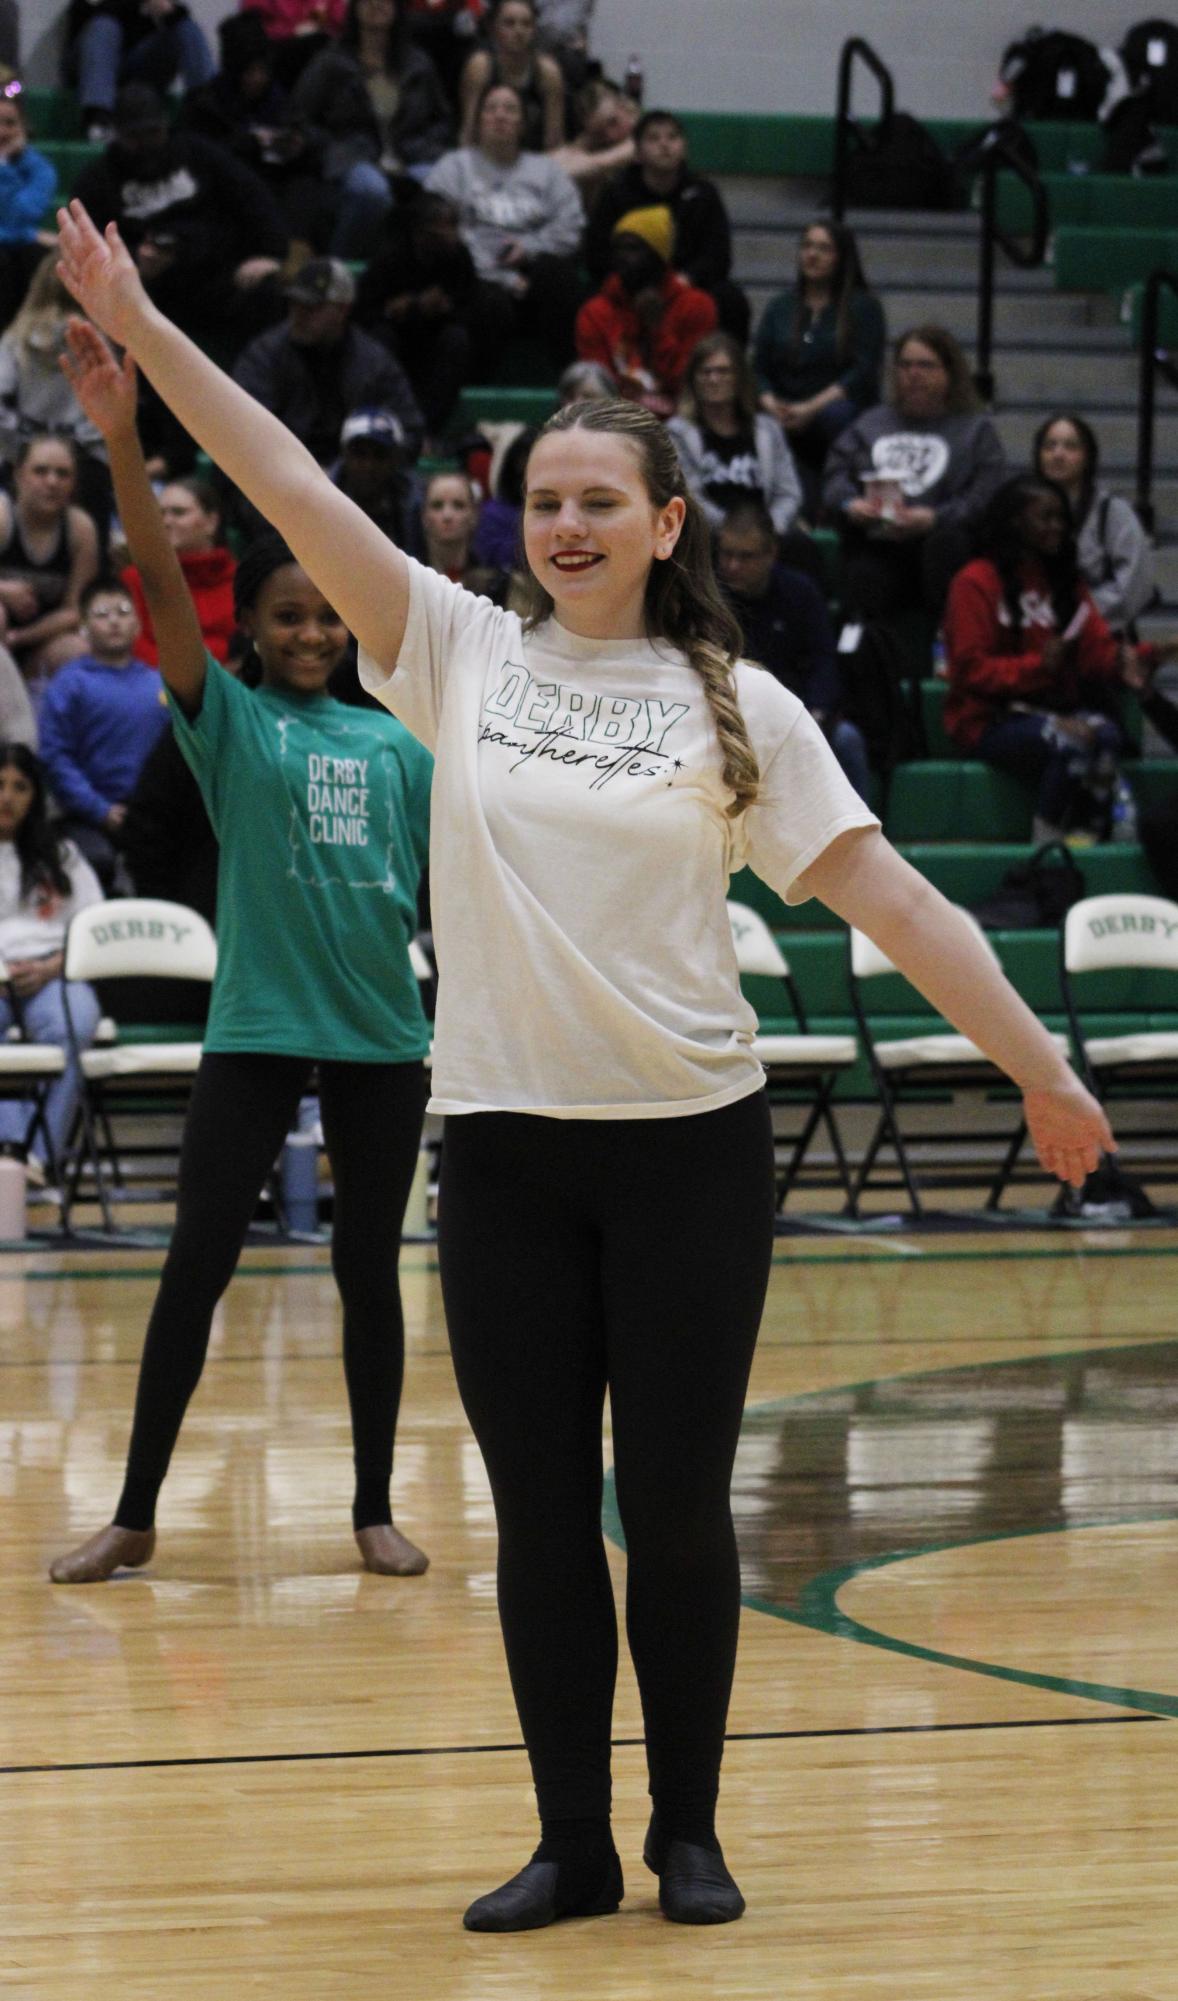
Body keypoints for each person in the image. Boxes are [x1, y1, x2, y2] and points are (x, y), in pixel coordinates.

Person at [54, 194, 1112, 1928]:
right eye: (540, 500)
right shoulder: (451, 653)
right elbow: (284, 484)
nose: (560, 523)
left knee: (674, 1513)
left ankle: (687, 1828)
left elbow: (900, 906)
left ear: (662, 521)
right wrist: (145, 335)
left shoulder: (736, 706)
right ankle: (571, 1842)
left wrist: (1039, 1069)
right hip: (504, 1153)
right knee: (543, 1520)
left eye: (594, 501)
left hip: (687, 1148)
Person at [48, 313, 435, 1586]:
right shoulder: (233, 726)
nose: (315, 633)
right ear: (253, 632)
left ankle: (374, 1505)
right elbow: (161, 582)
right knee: (193, 1268)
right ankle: (137, 1512)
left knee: (368, 1274)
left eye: (328, 616)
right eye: (288, 617)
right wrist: (120, 439)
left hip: (385, 1037)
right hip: (259, 1027)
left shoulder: (401, 747)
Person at [943, 474, 1169, 842]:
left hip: (1052, 709)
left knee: (1108, 734)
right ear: (1015, 522)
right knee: (1074, 740)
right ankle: (1045, 843)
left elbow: (1096, 653)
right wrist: (1038, 666)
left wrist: (1145, 655)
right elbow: (969, 670)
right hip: (989, 718)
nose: (1057, 527)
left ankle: (1086, 839)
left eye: (1061, 518)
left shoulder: (1064, 582)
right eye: (1045, 518)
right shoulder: (975, 582)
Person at [70, 83, 288, 359]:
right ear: (119, 136)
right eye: (135, 137)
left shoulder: (199, 154)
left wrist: (269, 254)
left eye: (153, 133)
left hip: (215, 274)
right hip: (149, 290)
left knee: (265, 293)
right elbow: (86, 243)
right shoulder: (98, 181)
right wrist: (134, 264)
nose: (146, 144)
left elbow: (254, 199)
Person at [823, 324, 1007, 628]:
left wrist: (935, 518)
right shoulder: (872, 423)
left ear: (949, 372)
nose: (913, 374)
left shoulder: (976, 430)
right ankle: (866, 658)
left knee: (946, 547)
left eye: (925, 365)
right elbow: (835, 477)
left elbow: (986, 497)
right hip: (880, 543)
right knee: (863, 573)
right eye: (905, 365)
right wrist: (850, 504)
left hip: (943, 545)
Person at [715, 499, 870, 800]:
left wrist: (815, 714)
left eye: (745, 557)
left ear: (771, 553)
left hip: (797, 715)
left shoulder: (801, 594)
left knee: (847, 741)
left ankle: (860, 838)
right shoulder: (709, 599)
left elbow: (823, 662)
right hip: (729, 720)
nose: (732, 566)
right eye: (727, 554)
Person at [425, 81, 583, 370]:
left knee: (558, 275)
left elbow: (570, 228)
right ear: (478, 120)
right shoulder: (453, 168)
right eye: (491, 108)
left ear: (523, 123)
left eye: (510, 109)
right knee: (487, 302)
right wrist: (503, 277)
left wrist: (530, 248)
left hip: (532, 280)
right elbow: (437, 232)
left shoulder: (548, 172)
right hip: (477, 279)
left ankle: (567, 376)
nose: (500, 115)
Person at [0, 741, 103, 1182]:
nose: (7, 797)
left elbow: (96, 928)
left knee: (78, 1019)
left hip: (53, 973)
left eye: (20, 787)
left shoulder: (62, 856)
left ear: (36, 796)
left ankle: (39, 1158)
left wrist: (54, 966)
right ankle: (10, 1153)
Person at [37, 574, 170, 885]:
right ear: (83, 627)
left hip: (151, 814)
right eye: (102, 614)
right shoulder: (69, 684)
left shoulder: (159, 684)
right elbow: (55, 756)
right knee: (96, 863)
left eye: (123, 613)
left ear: (138, 624)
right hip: (85, 818)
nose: (114, 622)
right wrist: (100, 810)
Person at [292, 0, 453, 258]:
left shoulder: (418, 62)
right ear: (354, 8)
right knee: (372, 191)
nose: (376, 3)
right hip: (352, 156)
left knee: (440, 184)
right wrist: (329, 148)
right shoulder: (331, 62)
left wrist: (429, 145)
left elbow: (442, 119)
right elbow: (299, 117)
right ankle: (340, 268)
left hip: (411, 156)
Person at [233, 257, 424, 471]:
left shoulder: (374, 364)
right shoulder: (265, 355)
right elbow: (243, 426)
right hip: (280, 476)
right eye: (295, 303)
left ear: (343, 309)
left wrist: (353, 468)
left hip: (353, 486)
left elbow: (409, 432)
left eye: (312, 307)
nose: (299, 314)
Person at [585, 110, 748, 343]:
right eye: (654, 138)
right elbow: (597, 255)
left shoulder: (704, 193)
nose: (665, 145)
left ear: (684, 148)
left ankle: (728, 373)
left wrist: (685, 280)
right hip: (629, 285)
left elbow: (718, 256)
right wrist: (633, 283)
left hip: (686, 285)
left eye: (673, 137)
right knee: (588, 298)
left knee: (731, 300)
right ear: (638, 153)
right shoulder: (616, 192)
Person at [755, 220, 885, 509]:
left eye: (824, 248)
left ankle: (836, 505)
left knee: (835, 417)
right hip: (783, 407)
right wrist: (770, 403)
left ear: (842, 257)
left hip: (833, 410)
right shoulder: (780, 306)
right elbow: (758, 368)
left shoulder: (863, 307)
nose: (812, 255)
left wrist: (810, 408)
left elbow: (862, 373)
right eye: (807, 246)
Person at [356, 191, 484, 441]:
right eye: (439, 234)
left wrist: (444, 308)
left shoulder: (459, 257)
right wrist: (401, 308)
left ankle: (427, 431)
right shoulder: (389, 257)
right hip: (395, 336)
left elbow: (471, 306)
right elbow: (363, 312)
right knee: (380, 342)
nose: (449, 239)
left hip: (437, 339)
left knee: (457, 341)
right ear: (420, 233)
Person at [575, 205, 717, 418]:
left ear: (659, 256)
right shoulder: (596, 312)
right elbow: (599, 387)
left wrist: (658, 330)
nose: (623, 257)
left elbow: (690, 383)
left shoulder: (696, 306)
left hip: (683, 422)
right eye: (619, 248)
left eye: (634, 248)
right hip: (618, 424)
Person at [667, 332, 802, 539]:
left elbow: (788, 493)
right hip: (708, 535)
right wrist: (734, 532)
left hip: (766, 534)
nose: (714, 379)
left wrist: (767, 530)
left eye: (723, 371)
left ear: (739, 378)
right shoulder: (678, 432)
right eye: (706, 372)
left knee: (804, 547)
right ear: (693, 380)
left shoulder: (768, 429)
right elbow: (689, 498)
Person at [1033, 412, 1156, 636]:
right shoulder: (1020, 509)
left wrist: (1077, 616)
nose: (1058, 454)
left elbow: (1135, 584)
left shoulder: (1112, 512)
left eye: (1070, 447)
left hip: (1100, 635)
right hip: (1034, 633)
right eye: (1049, 446)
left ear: (1087, 457)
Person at [0, 433, 101, 684]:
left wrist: (19, 637)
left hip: (38, 640)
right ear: (18, 475)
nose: (52, 482)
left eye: (62, 473)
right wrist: (3, 590)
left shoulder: (80, 529)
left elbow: (76, 610)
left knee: (78, 649)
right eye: (41, 471)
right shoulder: (2, 517)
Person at [121, 476, 237, 665]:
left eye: (178, 512)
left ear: (211, 522)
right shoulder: (135, 578)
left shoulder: (241, 580)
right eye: (160, 513)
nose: (166, 521)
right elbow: (132, 641)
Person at [64, 0, 215, 139]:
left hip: (137, 71)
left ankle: (206, 109)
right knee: (104, 26)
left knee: (185, 26)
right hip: (91, 71)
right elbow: (89, 19)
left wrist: (168, 13)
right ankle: (98, 121)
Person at [458, 0, 565, 152]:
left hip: (532, 159)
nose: (519, 31)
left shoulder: (547, 71)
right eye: (509, 23)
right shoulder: (480, 66)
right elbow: (468, 132)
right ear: (493, 28)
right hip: (485, 158)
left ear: (535, 29)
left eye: (526, 24)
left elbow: (554, 139)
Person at [0, 92, 56, 332]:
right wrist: (30, 234)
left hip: (21, 255)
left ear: (23, 127)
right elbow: (21, 227)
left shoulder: (41, 169)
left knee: (34, 257)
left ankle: (25, 337)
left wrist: (3, 167)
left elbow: (20, 215)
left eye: (10, 123)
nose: (2, 131)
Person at [418, 466, 509, 600]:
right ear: (424, 516)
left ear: (474, 515)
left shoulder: (497, 584)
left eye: (458, 505)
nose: (447, 515)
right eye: (437, 505)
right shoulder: (406, 580)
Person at [333, 405, 412, 545]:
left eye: (379, 455)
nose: (368, 465)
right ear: (344, 456)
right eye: (359, 454)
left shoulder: (413, 505)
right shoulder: (322, 498)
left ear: (395, 460)